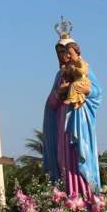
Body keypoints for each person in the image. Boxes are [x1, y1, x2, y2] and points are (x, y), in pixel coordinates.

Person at [42, 17, 102, 198]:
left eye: (67, 52)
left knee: (78, 155)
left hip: (78, 120)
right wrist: (58, 92)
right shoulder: (59, 75)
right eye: (60, 53)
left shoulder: (84, 70)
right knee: (63, 158)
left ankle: (84, 195)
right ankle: (66, 193)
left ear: (75, 52)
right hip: (62, 122)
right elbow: (51, 104)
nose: (64, 57)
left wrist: (85, 90)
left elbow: (97, 92)